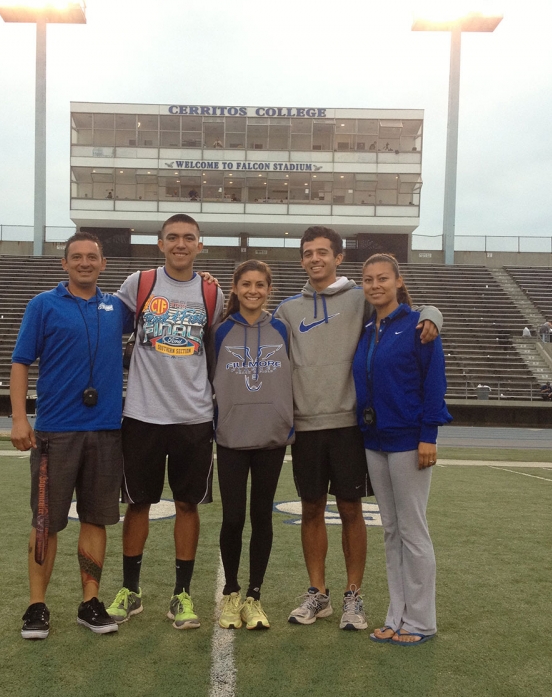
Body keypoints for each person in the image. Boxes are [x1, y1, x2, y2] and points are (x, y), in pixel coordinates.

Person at [273, 226, 441, 630]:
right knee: (312, 508)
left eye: (322, 252)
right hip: (308, 427)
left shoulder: (359, 299)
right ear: (301, 260)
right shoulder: (287, 310)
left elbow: (404, 313)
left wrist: (434, 315)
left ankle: (353, 596)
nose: (315, 258)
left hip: (351, 426)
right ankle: (318, 594)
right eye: (308, 252)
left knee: (351, 510)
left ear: (338, 257)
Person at [10, 232, 133, 640]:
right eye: (76, 257)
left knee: (96, 519)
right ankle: (36, 605)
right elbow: (21, 362)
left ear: (103, 263)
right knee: (46, 521)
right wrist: (18, 419)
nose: (84, 262)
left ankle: (90, 602)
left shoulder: (117, 307)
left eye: (91, 257)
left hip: (106, 432)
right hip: (55, 431)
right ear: (64, 264)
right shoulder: (42, 305)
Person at [107, 214, 224, 630]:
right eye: (172, 237)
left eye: (188, 237)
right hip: (142, 414)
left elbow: (217, 346)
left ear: (199, 245)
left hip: (193, 416)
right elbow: (106, 324)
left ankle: (182, 594)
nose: (180, 243)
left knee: (187, 504)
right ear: (160, 243)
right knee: (138, 503)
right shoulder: (139, 283)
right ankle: (130, 589)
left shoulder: (212, 291)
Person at [353, 253, 451, 645]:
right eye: (368, 279)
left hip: (410, 441)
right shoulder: (365, 329)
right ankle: (397, 616)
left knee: (413, 531)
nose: (375, 285)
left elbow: (434, 382)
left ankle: (422, 621)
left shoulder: (419, 327)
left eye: (382, 278)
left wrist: (430, 435)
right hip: (374, 442)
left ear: (397, 281)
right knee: (391, 531)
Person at [211, 260, 294, 630]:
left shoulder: (282, 329)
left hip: (271, 439)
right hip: (231, 437)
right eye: (246, 284)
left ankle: (254, 596)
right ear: (235, 288)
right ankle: (230, 591)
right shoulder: (219, 332)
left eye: (260, 285)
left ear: (268, 289)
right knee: (233, 517)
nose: (253, 291)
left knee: (262, 517)